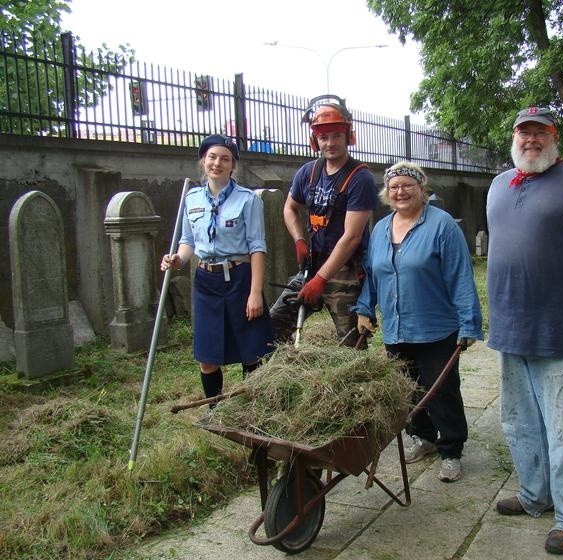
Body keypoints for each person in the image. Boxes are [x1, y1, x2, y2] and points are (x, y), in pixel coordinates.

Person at [486, 107, 563, 554]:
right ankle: (536, 495)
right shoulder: (498, 184)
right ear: (514, 137)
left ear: (556, 138)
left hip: (560, 328)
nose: (531, 140)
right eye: (524, 132)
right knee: (519, 421)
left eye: (541, 132)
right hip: (510, 327)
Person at [354, 162, 483, 483]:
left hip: (436, 328)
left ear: (422, 190)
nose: (400, 191)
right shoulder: (381, 228)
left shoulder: (442, 226)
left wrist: (469, 323)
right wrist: (364, 308)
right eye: (394, 187)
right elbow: (372, 274)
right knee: (407, 389)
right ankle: (422, 437)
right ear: (387, 193)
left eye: (407, 186)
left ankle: (451, 450)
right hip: (397, 328)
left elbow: (460, 277)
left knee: (442, 391)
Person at [161, 134, 274, 402]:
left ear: (233, 165)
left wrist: (255, 292)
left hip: (239, 279)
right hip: (206, 282)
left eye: (225, 158)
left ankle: (252, 409)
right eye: (212, 157)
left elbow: (257, 247)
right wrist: (178, 259)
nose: (217, 163)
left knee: (252, 351)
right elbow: (188, 241)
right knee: (208, 355)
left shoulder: (248, 200)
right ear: (203, 161)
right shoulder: (191, 199)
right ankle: (216, 411)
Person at [269, 96, 377, 346]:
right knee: (273, 325)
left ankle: (353, 384)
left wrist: (321, 279)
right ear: (314, 140)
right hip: (312, 264)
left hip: (346, 271)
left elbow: (352, 237)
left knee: (351, 345)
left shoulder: (360, 178)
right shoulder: (308, 172)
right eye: (323, 137)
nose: (330, 143)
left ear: (348, 136)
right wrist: (299, 240)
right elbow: (289, 208)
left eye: (336, 135)